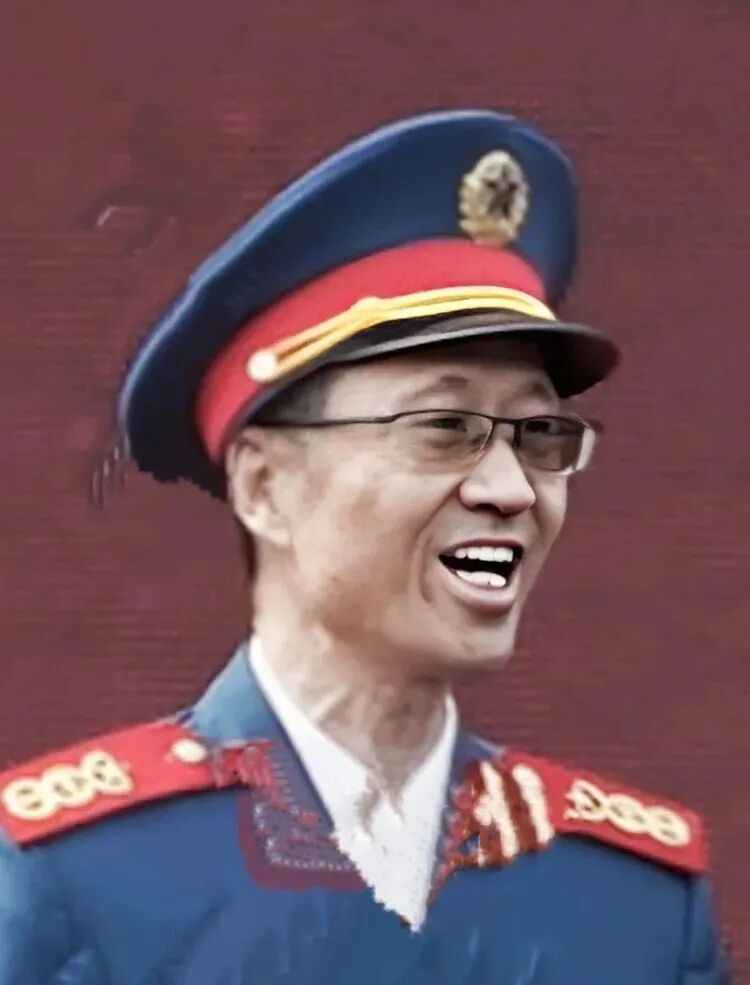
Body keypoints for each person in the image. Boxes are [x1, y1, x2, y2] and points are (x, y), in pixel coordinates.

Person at [0, 110, 729, 984]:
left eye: (540, 434)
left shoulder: (628, 904)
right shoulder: (72, 883)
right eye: (444, 426)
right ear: (265, 485)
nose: (511, 489)